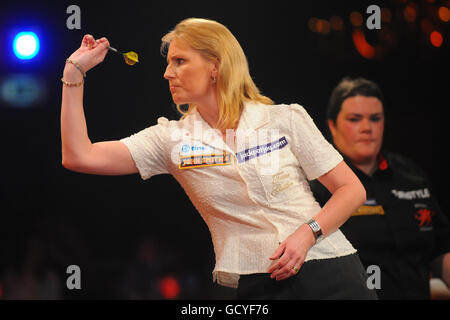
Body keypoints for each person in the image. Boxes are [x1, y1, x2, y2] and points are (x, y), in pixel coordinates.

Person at [60, 18, 377, 299]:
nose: (168, 73)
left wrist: (306, 235)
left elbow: (352, 190)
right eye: (169, 63)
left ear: (216, 65)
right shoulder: (170, 139)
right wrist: (73, 71)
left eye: (180, 61)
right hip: (261, 285)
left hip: (333, 270)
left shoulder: (284, 118)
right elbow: (79, 155)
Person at [309, 77, 450, 299]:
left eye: (375, 119)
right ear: (332, 126)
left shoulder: (411, 174)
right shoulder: (316, 186)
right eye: (355, 119)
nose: (367, 128)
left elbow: (441, 249)